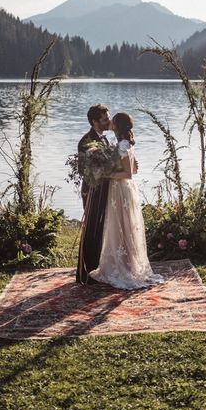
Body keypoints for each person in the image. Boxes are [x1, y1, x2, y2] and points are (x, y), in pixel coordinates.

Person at [89, 112, 165, 289]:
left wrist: (106, 174)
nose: (111, 124)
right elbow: (135, 169)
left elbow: (128, 174)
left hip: (121, 190)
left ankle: (123, 268)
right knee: (124, 226)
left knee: (122, 226)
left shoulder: (122, 145)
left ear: (118, 126)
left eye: (113, 122)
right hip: (123, 190)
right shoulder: (126, 144)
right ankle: (127, 263)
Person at [75, 104, 112, 284]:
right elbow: (83, 170)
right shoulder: (85, 141)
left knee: (102, 228)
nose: (108, 121)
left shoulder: (104, 140)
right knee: (91, 229)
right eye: (105, 119)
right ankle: (84, 273)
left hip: (105, 189)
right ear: (94, 122)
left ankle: (98, 270)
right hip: (92, 190)